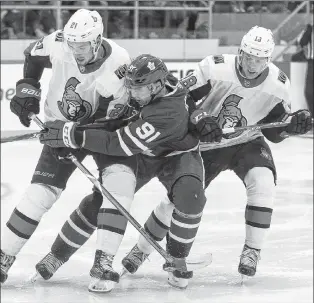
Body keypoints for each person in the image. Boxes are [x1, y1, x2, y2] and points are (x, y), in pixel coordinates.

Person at [118, 26, 312, 279]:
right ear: (240, 52)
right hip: (208, 144)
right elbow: (179, 96)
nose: (253, 65)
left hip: (247, 142)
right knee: (177, 202)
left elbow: (275, 132)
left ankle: (252, 250)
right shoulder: (214, 67)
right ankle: (142, 248)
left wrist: (291, 125)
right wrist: (199, 118)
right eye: (249, 57)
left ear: (269, 58)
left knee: (263, 183)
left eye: (260, 59)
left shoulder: (278, 84)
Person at [35, 54, 222, 291]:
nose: (131, 92)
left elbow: (118, 144)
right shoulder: (163, 81)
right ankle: (57, 254)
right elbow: (186, 101)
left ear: (156, 86)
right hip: (144, 153)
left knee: (191, 196)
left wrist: (74, 136)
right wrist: (198, 115)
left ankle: (176, 258)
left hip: (178, 155)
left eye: (138, 88)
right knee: (103, 201)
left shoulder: (167, 113)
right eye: (130, 85)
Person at [0, 8, 136, 284]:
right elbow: (33, 57)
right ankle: (4, 256)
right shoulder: (58, 41)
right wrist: (27, 88)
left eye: (82, 45)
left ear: (97, 41)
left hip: (104, 130)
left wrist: (73, 136)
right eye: (72, 44)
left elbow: (107, 117)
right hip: (59, 125)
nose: (76, 51)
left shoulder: (119, 61)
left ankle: (103, 262)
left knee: (118, 186)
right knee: (39, 195)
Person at [297, 22, 313, 117]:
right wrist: (309, 30)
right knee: (309, 92)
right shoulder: (310, 29)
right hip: (311, 62)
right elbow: (302, 42)